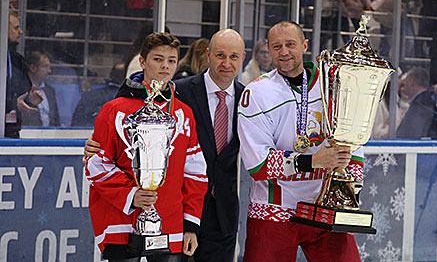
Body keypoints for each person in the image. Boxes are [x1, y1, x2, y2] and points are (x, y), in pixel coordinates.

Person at [84, 29, 246, 262]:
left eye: (171, 61)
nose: (165, 66)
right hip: (121, 223)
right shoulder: (115, 110)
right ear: (142, 61)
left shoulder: (182, 113)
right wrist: (132, 195)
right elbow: (97, 163)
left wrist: (190, 224)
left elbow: (195, 172)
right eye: (157, 59)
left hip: (171, 225)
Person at [238, 21, 363, 262]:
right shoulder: (257, 93)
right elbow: (257, 164)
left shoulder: (333, 87)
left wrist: (348, 191)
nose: (284, 52)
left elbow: (354, 144)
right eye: (277, 46)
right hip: (274, 212)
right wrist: (312, 161)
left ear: (304, 45)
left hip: (325, 208)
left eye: (290, 45)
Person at [173, 29, 245, 262]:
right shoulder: (180, 91)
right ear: (208, 55)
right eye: (220, 55)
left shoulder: (249, 99)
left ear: (243, 58)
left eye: (233, 57)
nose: (227, 63)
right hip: (181, 208)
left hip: (223, 211)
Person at [5, 11, 43, 138]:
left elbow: (22, 97)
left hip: (11, 132)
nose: (20, 32)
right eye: (16, 28)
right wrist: (12, 104)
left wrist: (30, 99)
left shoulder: (17, 61)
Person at [396, 67, 437, 139]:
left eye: (406, 81)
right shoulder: (424, 101)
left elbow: (410, 135)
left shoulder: (421, 104)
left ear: (411, 82)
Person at [22, 51, 60, 127]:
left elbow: (56, 120)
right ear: (33, 68)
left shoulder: (50, 91)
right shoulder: (22, 90)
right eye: (45, 66)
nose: (49, 71)